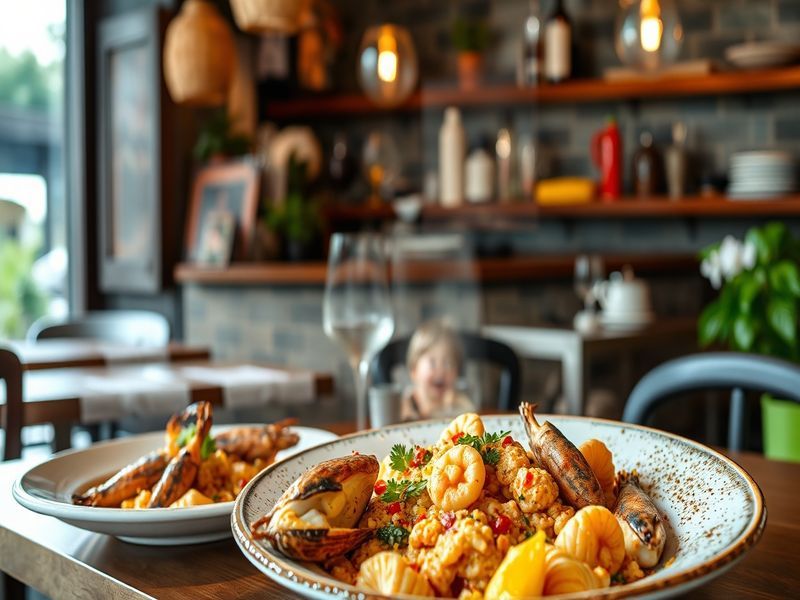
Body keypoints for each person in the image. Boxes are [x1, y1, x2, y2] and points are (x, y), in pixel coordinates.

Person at [401, 320, 475, 420]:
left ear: (457, 372)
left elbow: (471, 415)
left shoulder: (458, 400)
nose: (441, 371)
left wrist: (449, 409)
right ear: (414, 370)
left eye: (447, 364)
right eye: (432, 363)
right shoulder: (408, 401)